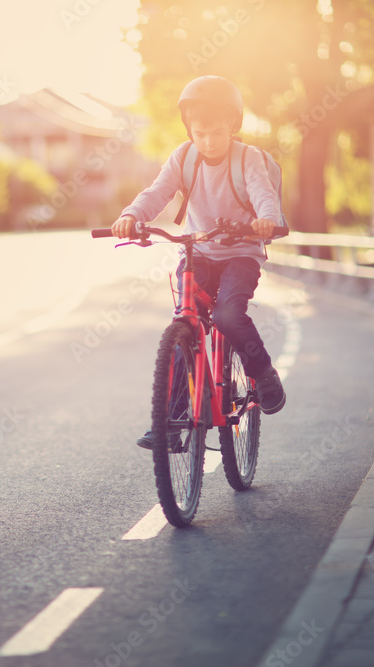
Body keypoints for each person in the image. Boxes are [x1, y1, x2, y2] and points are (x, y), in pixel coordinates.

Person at [110, 75, 286, 449]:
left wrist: (265, 220)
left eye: (216, 132)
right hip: (199, 252)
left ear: (233, 126)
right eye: (199, 132)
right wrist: (132, 215)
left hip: (241, 252)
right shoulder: (184, 157)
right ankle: (172, 422)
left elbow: (263, 195)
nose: (207, 141)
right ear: (189, 129)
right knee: (184, 322)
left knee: (227, 315)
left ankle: (264, 373)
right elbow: (157, 192)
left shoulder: (247, 159)